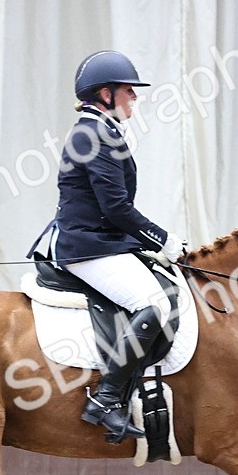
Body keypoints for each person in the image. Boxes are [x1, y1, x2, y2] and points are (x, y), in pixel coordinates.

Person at [52, 50, 184, 442]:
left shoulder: (100, 131)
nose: (135, 98)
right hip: (90, 247)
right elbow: (116, 207)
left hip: (103, 241)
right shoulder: (92, 134)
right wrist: (163, 239)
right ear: (105, 94)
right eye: (129, 91)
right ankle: (106, 399)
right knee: (156, 304)